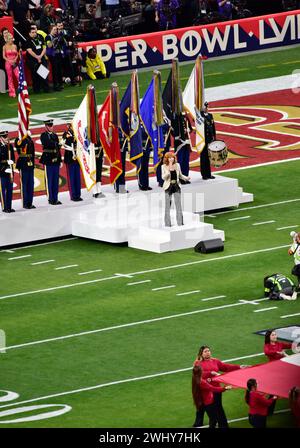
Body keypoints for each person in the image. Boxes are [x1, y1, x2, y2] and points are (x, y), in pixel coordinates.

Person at [193, 345, 247, 428]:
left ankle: (223, 425)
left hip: (216, 389)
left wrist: (239, 367)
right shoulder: (198, 363)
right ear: (201, 354)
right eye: (205, 351)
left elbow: (226, 367)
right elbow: (198, 374)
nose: (208, 353)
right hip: (205, 390)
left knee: (218, 408)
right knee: (201, 407)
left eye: (208, 351)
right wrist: (211, 373)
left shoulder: (215, 361)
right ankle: (198, 423)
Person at [162, 151, 189, 227]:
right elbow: (163, 177)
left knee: (178, 205)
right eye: (170, 158)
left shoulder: (177, 165)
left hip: (176, 186)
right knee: (168, 205)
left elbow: (180, 175)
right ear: (167, 159)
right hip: (168, 186)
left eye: (173, 157)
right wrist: (168, 171)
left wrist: (186, 178)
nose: (171, 159)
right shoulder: (163, 166)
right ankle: (167, 224)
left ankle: (180, 223)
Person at [39, 119, 62, 205]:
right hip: (48, 160)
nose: (51, 127)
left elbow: (58, 149)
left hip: (55, 160)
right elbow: (48, 143)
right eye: (49, 126)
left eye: (52, 125)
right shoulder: (43, 136)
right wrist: (56, 144)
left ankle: (55, 198)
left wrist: (60, 160)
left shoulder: (55, 135)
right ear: (46, 127)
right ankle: (50, 198)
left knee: (55, 180)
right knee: (50, 180)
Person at [61, 123, 82, 202]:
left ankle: (78, 194)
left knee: (77, 177)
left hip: (77, 157)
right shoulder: (65, 134)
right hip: (70, 157)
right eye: (71, 126)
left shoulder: (77, 133)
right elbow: (63, 144)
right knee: (71, 177)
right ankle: (73, 195)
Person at [14, 132, 35, 209]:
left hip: (30, 164)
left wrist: (33, 164)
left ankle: (30, 202)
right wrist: (22, 137)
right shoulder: (18, 139)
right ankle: (25, 203)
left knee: (31, 184)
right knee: (24, 184)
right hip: (23, 164)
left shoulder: (29, 139)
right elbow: (18, 145)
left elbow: (32, 153)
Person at [25, 26, 49, 93]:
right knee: (35, 75)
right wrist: (37, 57)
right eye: (32, 32)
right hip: (33, 60)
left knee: (44, 73)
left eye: (35, 32)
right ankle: (36, 89)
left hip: (42, 58)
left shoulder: (40, 38)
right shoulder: (28, 41)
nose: (34, 34)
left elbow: (44, 47)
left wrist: (41, 56)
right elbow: (29, 51)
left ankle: (46, 88)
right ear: (29, 34)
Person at [0, 130, 15, 213]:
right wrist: (5, 165)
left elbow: (12, 157)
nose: (6, 138)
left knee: (9, 190)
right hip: (2, 171)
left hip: (10, 172)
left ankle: (9, 206)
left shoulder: (10, 146)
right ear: (1, 138)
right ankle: (4, 207)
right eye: (4, 137)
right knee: (3, 190)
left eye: (7, 136)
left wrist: (12, 161)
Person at [45, 24, 64, 91]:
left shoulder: (58, 36)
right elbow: (49, 45)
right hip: (52, 55)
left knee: (59, 69)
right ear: (50, 30)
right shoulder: (48, 37)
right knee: (55, 69)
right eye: (54, 29)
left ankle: (60, 83)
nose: (56, 31)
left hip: (58, 54)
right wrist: (54, 40)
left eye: (56, 29)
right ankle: (56, 85)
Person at [200, 101, 215, 180]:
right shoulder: (200, 116)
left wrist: (214, 138)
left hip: (209, 139)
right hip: (203, 140)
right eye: (206, 107)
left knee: (209, 157)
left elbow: (213, 128)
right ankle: (204, 174)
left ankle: (209, 174)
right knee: (203, 157)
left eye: (207, 107)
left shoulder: (210, 115)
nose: (207, 109)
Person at [2, 32, 19, 97]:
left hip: (14, 62)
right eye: (11, 39)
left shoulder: (15, 46)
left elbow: (17, 54)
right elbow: (4, 56)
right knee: (10, 78)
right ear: (8, 39)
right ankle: (12, 92)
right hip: (8, 63)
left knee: (18, 75)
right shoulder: (4, 47)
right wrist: (9, 61)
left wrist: (15, 59)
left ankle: (21, 90)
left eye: (12, 38)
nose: (12, 40)